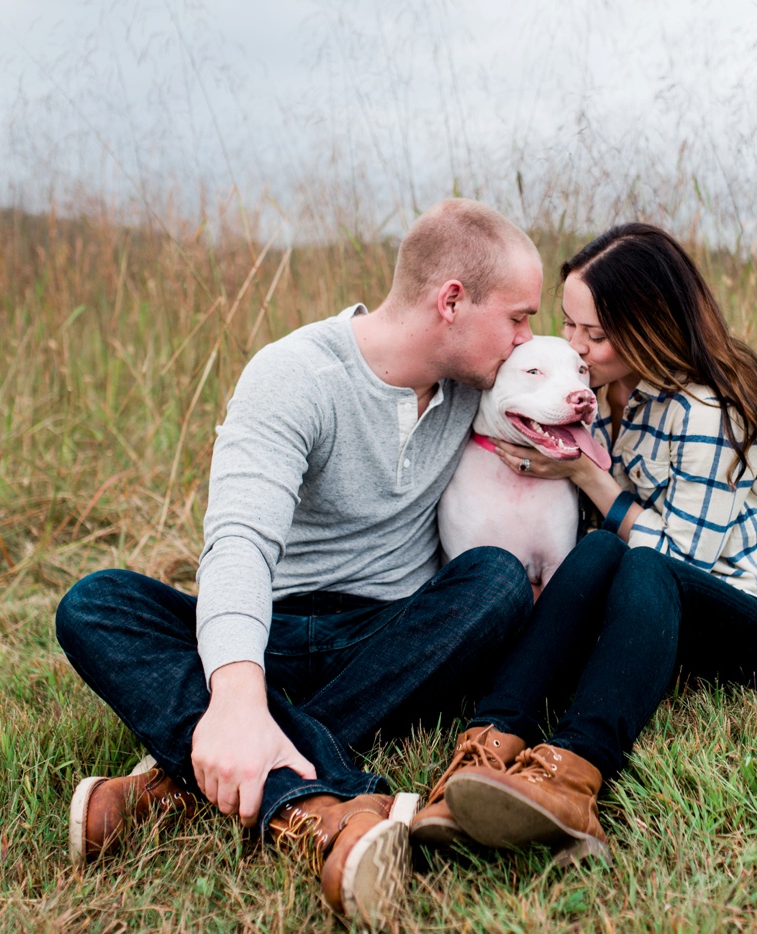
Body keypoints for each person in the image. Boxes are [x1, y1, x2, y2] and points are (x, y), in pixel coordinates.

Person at [55, 199, 542, 925]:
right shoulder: (294, 375)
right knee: (95, 604)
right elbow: (240, 544)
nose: (526, 339)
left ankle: (179, 791)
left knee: (496, 581)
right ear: (451, 301)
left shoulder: (483, 388)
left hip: (392, 642)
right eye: (519, 318)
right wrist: (238, 697)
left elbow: (576, 396)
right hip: (272, 635)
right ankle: (324, 798)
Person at [409, 222, 757, 864]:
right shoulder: (601, 394)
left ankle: (573, 778)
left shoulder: (705, 412)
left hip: (753, 620)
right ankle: (487, 745)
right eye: (570, 325)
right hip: (648, 601)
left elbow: (679, 562)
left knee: (639, 562)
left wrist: (586, 475)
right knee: (597, 553)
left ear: (652, 327)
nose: (578, 348)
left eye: (595, 336)